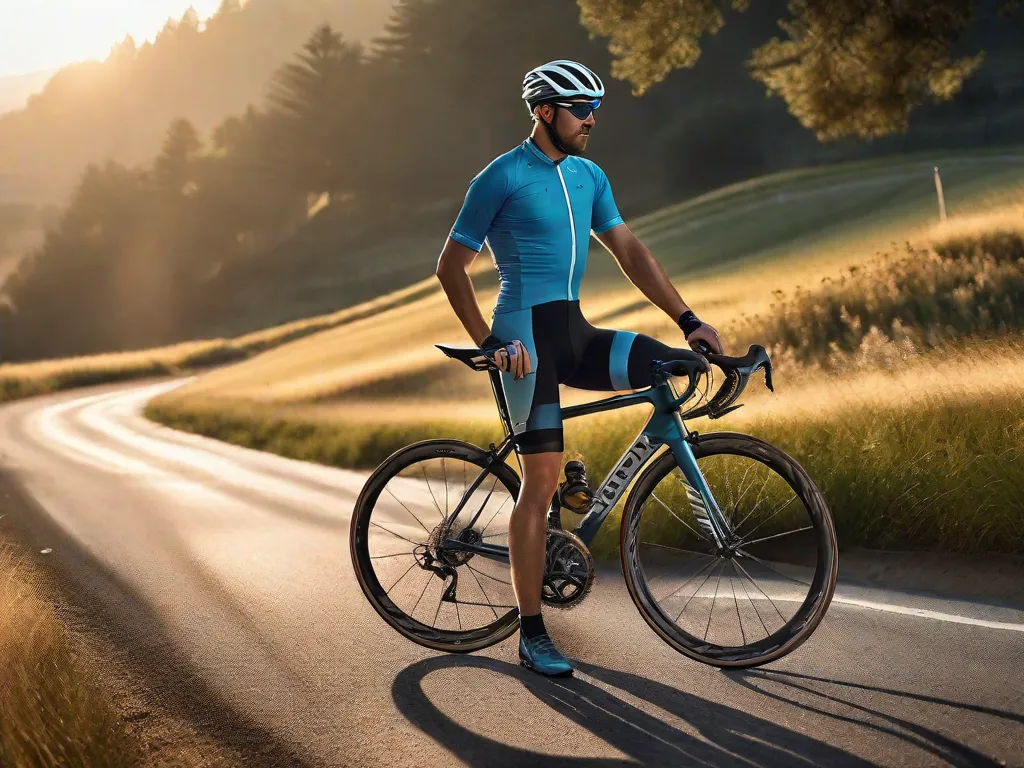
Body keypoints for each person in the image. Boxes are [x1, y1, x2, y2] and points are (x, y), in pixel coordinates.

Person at [434, 60, 723, 677]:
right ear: (545, 112)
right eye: (580, 109)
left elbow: (629, 251)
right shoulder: (501, 177)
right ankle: (531, 633)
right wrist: (488, 342)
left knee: (667, 364)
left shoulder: (589, 176)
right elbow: (450, 267)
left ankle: (577, 493)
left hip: (575, 332)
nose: (591, 120)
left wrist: (688, 321)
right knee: (537, 483)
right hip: (523, 344)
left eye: (596, 109)